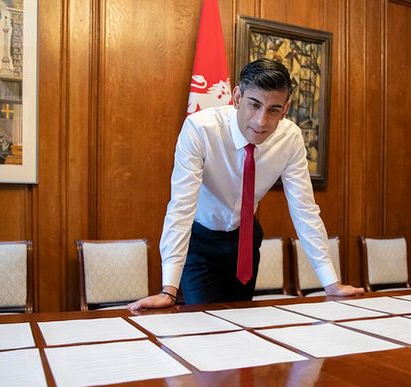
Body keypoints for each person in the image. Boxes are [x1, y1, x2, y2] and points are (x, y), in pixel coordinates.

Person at [128, 59, 363, 311]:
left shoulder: (290, 138)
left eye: (273, 109)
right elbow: (181, 206)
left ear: (286, 109)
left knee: (242, 324)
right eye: (254, 104)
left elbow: (304, 209)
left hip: (246, 240)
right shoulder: (200, 129)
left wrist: (331, 283)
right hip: (201, 241)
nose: (261, 121)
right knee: (204, 324)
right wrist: (168, 290)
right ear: (237, 96)